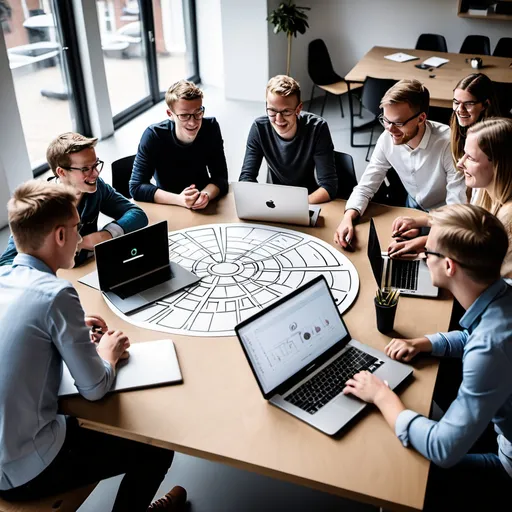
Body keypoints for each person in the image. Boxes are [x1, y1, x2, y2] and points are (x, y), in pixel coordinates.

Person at [0, 180, 186, 511]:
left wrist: (67, 331)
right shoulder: (56, 293)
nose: (80, 236)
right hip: (24, 469)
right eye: (76, 228)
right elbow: (95, 387)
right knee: (156, 445)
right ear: (60, 236)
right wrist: (108, 355)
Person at [343, 203, 512, 510]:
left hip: (506, 465)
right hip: (498, 426)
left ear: (449, 266)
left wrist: (382, 396)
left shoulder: (489, 350)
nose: (422, 255)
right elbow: (477, 334)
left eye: (429, 252)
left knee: (398, 475)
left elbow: (442, 448)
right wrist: (425, 342)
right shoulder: (504, 294)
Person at [334, 79, 466, 249]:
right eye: (385, 120)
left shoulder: (449, 144)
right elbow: (366, 186)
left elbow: (457, 207)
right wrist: (348, 217)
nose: (389, 129)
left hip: (445, 216)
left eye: (398, 123)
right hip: (410, 209)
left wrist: (422, 228)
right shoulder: (386, 138)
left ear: (421, 118)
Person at [0, 132, 148, 267]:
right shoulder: (39, 205)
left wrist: (101, 236)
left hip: (90, 266)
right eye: (85, 169)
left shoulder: (97, 188)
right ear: (62, 172)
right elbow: (6, 263)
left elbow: (136, 214)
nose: (95, 173)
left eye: (95, 165)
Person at [389, 118, 512, 278]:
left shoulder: (508, 218)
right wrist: (423, 231)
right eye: (464, 154)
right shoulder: (484, 188)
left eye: (471, 158)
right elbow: (466, 225)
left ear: (498, 165)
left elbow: (494, 276)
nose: (460, 164)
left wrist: (432, 255)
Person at [129, 80, 228, 209]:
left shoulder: (210, 127)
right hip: (169, 205)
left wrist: (205, 195)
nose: (193, 122)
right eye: (184, 115)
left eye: (198, 113)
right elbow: (136, 187)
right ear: (170, 114)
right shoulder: (153, 135)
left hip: (203, 202)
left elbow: (221, 178)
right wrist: (180, 200)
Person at [238, 75, 338, 204]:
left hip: (308, 200)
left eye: (286, 112)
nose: (278, 119)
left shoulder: (317, 128)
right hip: (273, 200)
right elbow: (246, 178)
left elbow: (329, 186)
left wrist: (297, 207)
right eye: (272, 111)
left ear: (299, 109)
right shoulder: (259, 128)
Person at [450, 73, 500, 166]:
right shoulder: (457, 124)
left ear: (485, 105)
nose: (460, 110)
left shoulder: (494, 138)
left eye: (468, 104)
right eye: (456, 102)